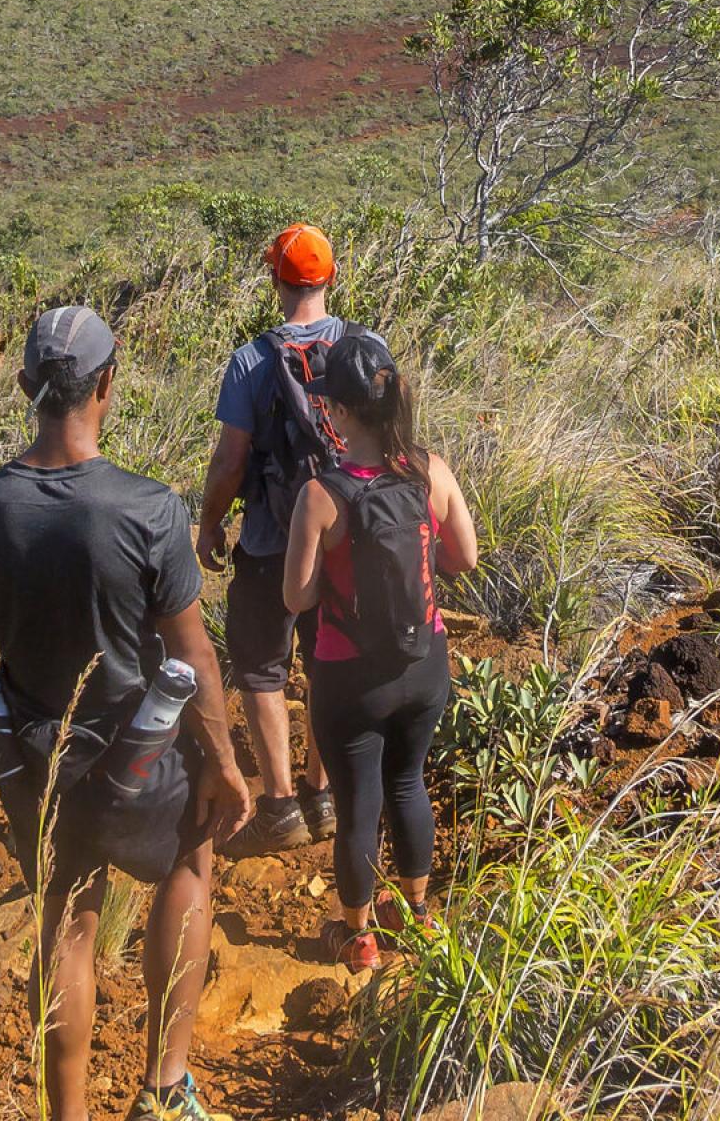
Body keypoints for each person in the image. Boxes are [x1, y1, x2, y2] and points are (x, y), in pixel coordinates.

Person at [0, 304, 252, 1121]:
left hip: (32, 758)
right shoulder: (148, 509)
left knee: (66, 922)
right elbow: (195, 657)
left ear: (26, 386)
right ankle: (166, 1091)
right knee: (188, 866)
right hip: (140, 760)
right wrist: (226, 764)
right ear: (107, 384)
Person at [282, 330, 478, 973]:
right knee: (408, 781)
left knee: (358, 802)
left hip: (349, 678)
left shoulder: (321, 496)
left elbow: (298, 598)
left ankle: (357, 935)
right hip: (425, 665)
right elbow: (463, 558)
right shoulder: (430, 470)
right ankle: (417, 914)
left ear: (337, 413)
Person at [197, 223, 354, 851]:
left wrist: (209, 521)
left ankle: (281, 805)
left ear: (275, 281)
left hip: (269, 541)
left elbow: (231, 461)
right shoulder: (363, 346)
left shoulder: (250, 362)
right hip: (344, 536)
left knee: (262, 669)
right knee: (327, 664)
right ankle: (323, 793)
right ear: (330, 277)